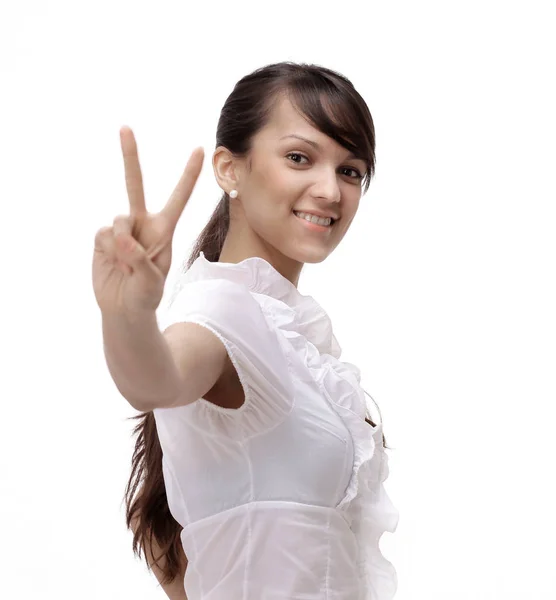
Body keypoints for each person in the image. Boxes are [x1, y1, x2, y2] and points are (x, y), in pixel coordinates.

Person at [93, 61, 399, 600]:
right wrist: (128, 315)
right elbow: (155, 380)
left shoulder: (291, 336)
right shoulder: (224, 310)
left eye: (350, 170)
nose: (330, 190)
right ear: (230, 169)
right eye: (299, 158)